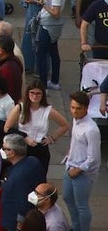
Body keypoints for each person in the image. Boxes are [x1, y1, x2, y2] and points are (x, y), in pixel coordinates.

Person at [61, 92, 100, 231]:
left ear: (86, 108)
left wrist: (78, 170)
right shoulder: (76, 120)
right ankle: (76, 227)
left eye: (78, 108)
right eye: (72, 107)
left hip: (83, 172)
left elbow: (94, 158)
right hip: (70, 165)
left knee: (81, 205)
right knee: (67, 198)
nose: (74, 111)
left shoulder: (91, 130)